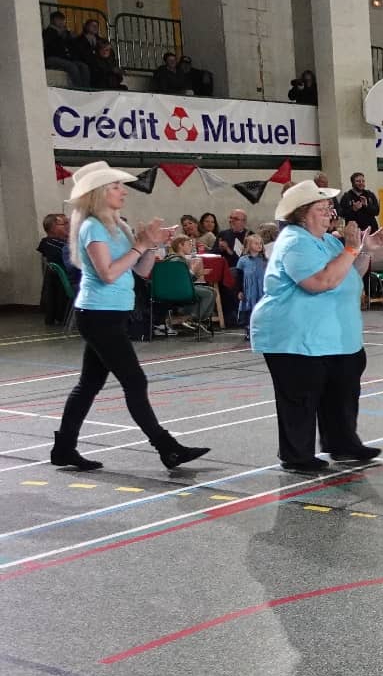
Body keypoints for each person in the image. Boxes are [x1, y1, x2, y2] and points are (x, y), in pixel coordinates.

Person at [50, 162, 209, 471]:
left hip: (112, 313)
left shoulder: (116, 225)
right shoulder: (93, 226)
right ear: (97, 194)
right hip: (98, 314)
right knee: (135, 381)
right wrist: (140, 245)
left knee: (89, 384)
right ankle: (167, 448)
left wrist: (152, 245)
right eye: (115, 187)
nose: (123, 191)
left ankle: (64, 448)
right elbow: (108, 273)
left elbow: (141, 270)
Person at [250, 181, 383, 472]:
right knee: (301, 395)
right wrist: (350, 248)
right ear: (302, 214)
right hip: (294, 338)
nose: (330, 213)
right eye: (322, 208)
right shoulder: (295, 242)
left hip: (335, 337)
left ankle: (343, 443)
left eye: (329, 208)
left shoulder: (329, 241)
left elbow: (349, 275)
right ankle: (297, 455)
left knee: (343, 388)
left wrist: (363, 253)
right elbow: (319, 283)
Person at [38, 213, 72, 325]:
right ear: (52, 228)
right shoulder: (52, 244)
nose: (69, 225)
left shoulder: (64, 243)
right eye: (65, 223)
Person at [43, 11, 90, 87]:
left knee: (83, 66)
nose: (62, 22)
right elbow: (51, 46)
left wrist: (71, 38)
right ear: (53, 20)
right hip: (52, 58)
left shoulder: (64, 33)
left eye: (62, 20)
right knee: (72, 67)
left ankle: (86, 88)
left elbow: (70, 46)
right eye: (59, 20)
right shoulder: (48, 32)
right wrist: (60, 35)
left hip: (64, 58)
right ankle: (79, 88)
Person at [236, 234, 268, 339]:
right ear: (249, 246)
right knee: (249, 310)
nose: (259, 246)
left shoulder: (265, 261)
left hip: (261, 289)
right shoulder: (243, 260)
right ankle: (249, 329)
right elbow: (239, 277)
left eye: (261, 244)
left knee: (262, 309)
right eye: (256, 243)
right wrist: (239, 290)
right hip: (249, 290)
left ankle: (262, 329)